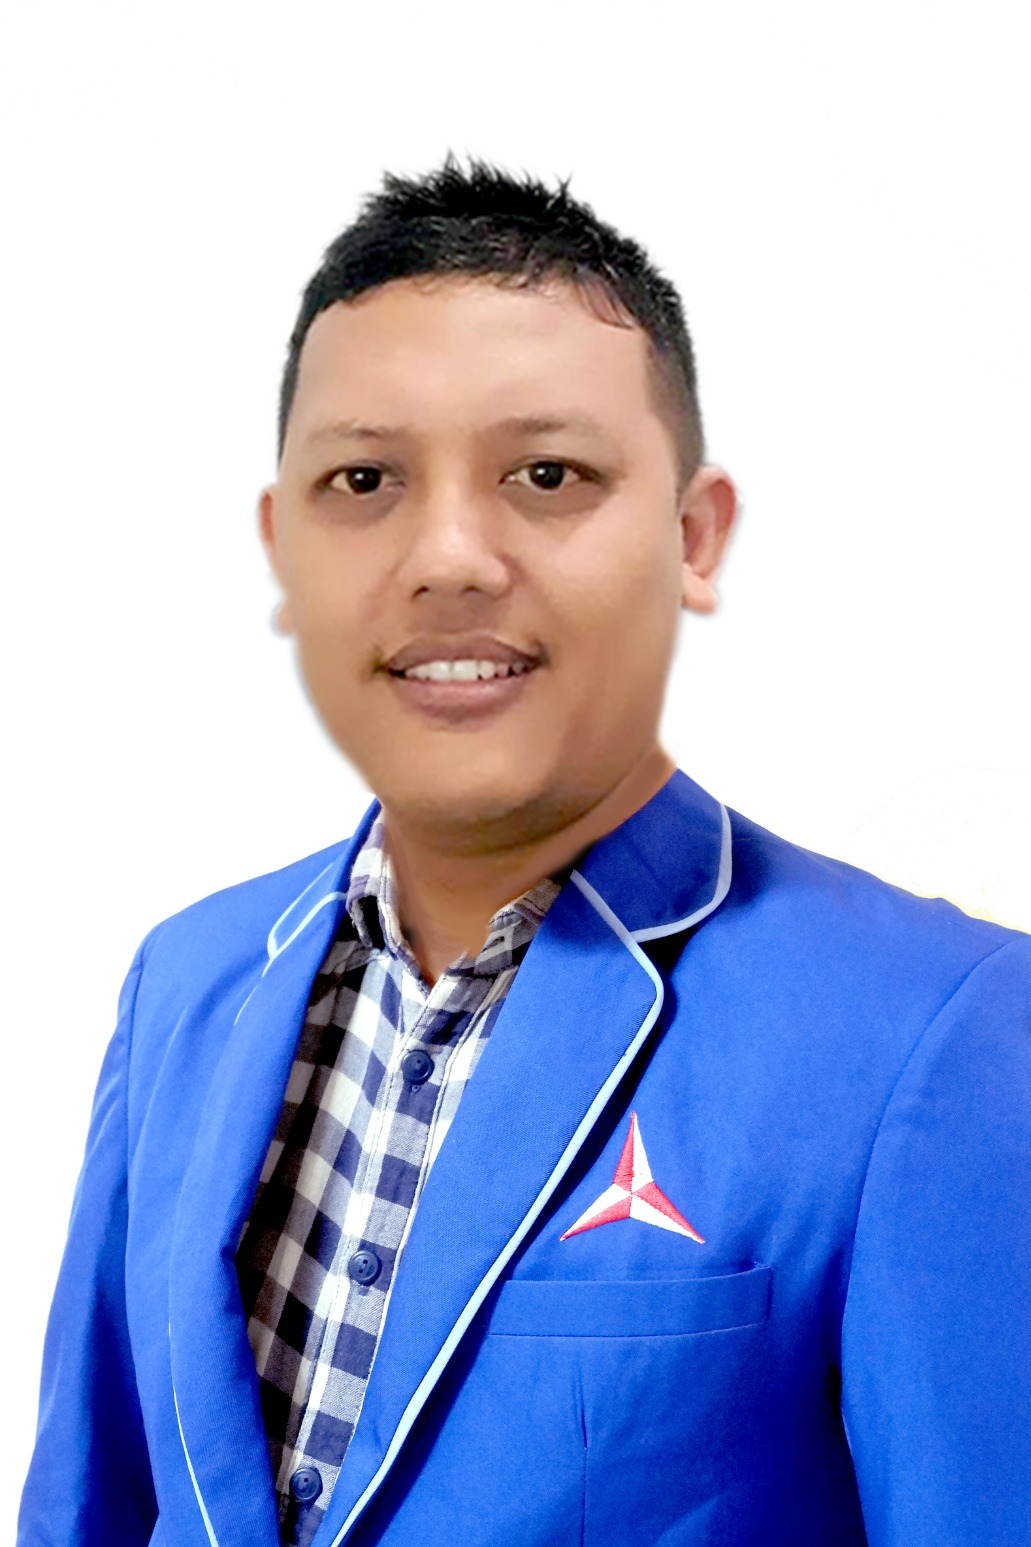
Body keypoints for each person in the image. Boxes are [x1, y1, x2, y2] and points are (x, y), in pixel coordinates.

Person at [18, 154, 1031, 1547]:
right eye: (363, 479)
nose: (450, 557)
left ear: (693, 535)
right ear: (285, 547)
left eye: (547, 474)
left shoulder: (940, 1029)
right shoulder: (187, 979)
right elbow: (89, 1504)